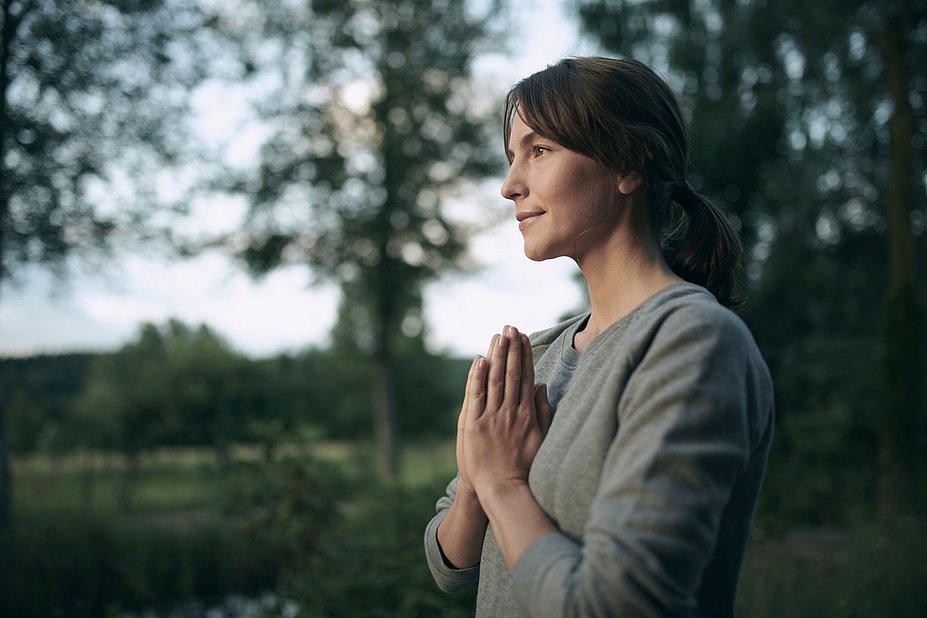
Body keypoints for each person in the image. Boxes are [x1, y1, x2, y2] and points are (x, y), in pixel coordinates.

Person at [423, 56, 774, 617]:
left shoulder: (693, 345)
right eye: (512, 156)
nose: (510, 185)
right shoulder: (535, 355)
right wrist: (474, 483)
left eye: (539, 151)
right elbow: (449, 565)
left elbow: (612, 607)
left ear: (627, 165)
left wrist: (502, 484)